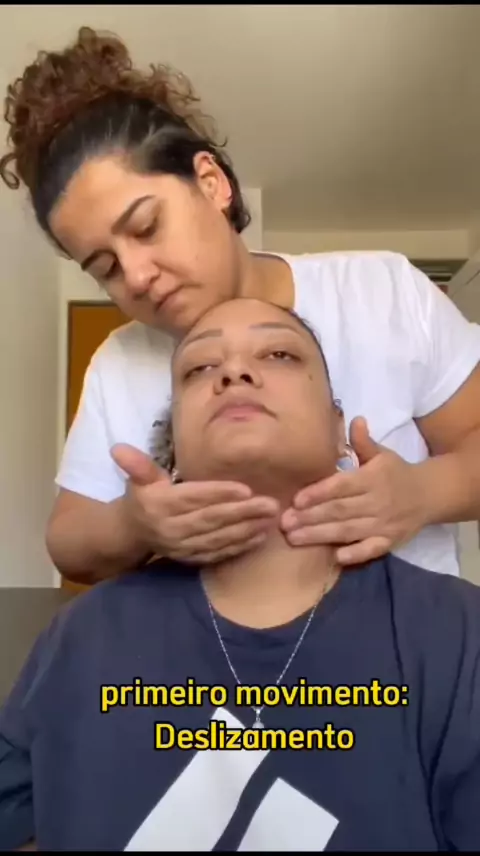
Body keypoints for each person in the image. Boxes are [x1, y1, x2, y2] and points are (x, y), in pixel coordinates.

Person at [1, 27, 480, 586]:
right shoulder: (119, 364)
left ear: (211, 184)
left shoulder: (383, 290)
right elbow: (69, 542)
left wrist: (421, 492)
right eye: (105, 268)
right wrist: (135, 526)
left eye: (147, 227)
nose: (136, 277)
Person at [1, 297, 480, 852]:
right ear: (174, 448)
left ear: (338, 430)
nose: (233, 372)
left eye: (279, 354)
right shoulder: (84, 635)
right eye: (199, 368)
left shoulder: (455, 632)